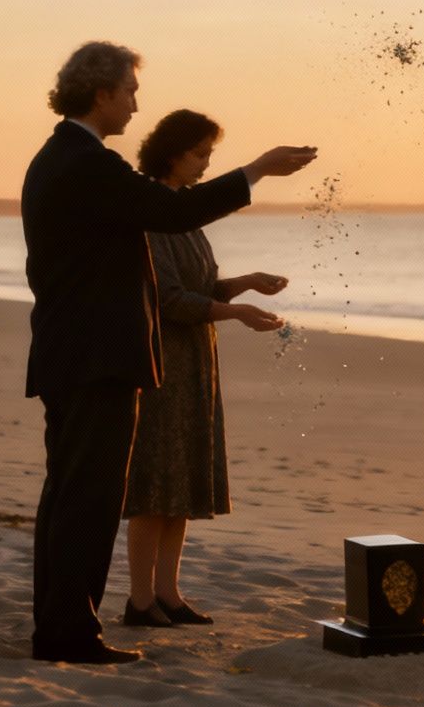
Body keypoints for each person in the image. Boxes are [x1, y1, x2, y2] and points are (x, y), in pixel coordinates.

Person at [21, 41, 316, 664]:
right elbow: (174, 212)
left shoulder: (61, 159)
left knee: (68, 497)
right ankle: (68, 634)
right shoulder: (85, 163)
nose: (135, 103)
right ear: (101, 93)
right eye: (129, 90)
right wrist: (256, 170)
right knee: (88, 501)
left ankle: (59, 626)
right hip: (96, 357)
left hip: (71, 353)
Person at [120, 110, 290, 628]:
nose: (205, 165)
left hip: (196, 362)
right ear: (173, 153)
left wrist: (243, 284)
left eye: (210, 155)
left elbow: (202, 288)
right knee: (153, 490)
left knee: (181, 487)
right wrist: (234, 312)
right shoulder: (151, 214)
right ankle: (140, 600)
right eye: (199, 155)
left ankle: (169, 593)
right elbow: (170, 299)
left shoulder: (185, 218)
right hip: (162, 364)